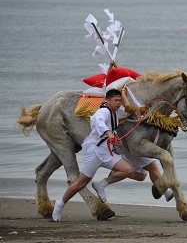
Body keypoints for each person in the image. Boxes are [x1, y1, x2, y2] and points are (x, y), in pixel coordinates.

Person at [52, 89, 172, 222]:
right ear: (107, 100)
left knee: (128, 170)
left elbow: (128, 110)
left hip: (108, 154)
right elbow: (99, 122)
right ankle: (60, 203)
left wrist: (124, 95)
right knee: (80, 183)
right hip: (95, 153)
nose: (118, 103)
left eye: (120, 100)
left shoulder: (116, 113)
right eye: (116, 100)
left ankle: (101, 185)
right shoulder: (103, 111)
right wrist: (109, 133)